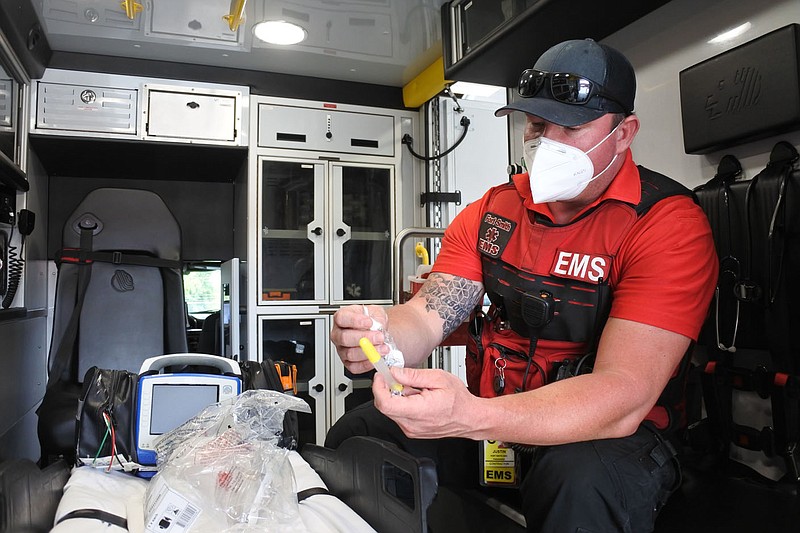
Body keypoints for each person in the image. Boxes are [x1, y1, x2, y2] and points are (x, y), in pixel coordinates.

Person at [327, 38, 718, 533]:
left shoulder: (664, 224)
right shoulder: (493, 211)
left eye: (571, 126)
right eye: (535, 124)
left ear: (624, 134)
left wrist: (469, 416)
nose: (546, 142)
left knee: (577, 481)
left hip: (609, 438)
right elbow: (432, 312)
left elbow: (624, 394)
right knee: (361, 430)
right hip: (495, 425)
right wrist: (382, 332)